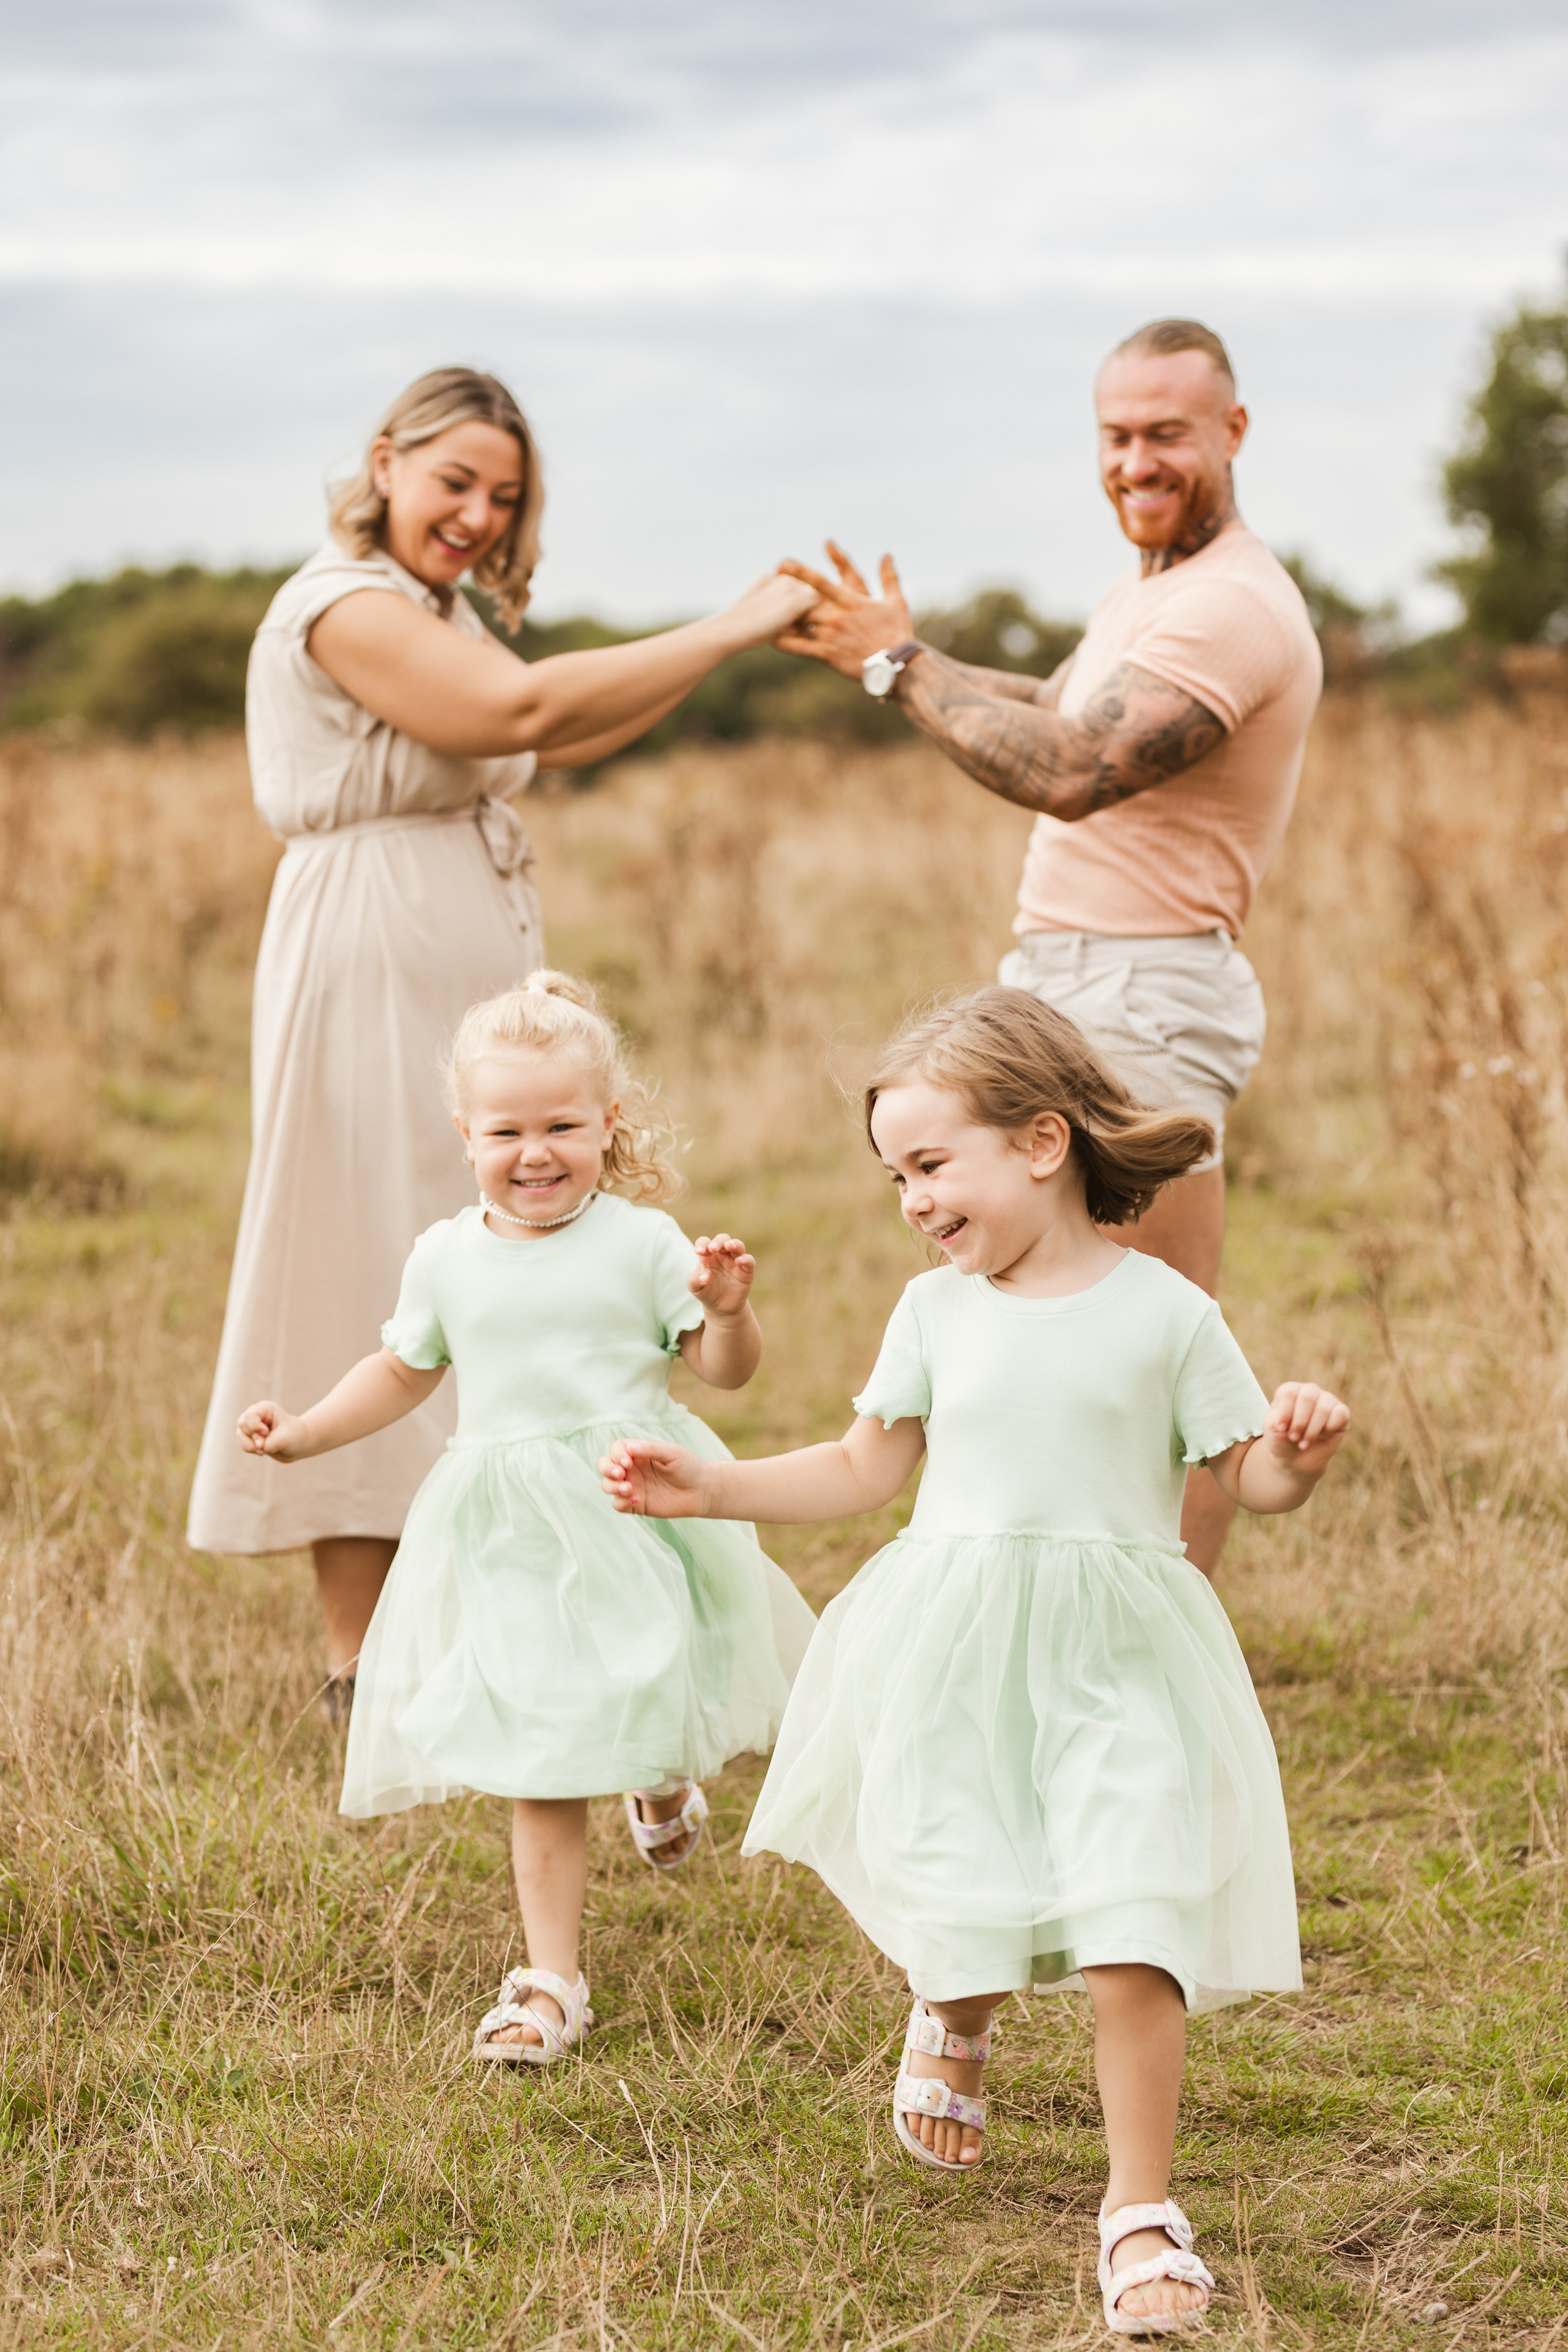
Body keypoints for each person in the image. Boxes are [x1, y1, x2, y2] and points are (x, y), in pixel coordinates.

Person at [601, 987, 1348, 2333]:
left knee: (1134, 1917)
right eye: (894, 1174)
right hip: (956, 1644)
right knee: (968, 1866)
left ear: (1043, 1143)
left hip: (1120, 1654)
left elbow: (1239, 1474)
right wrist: (707, 1490)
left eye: (932, 1164)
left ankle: (1136, 2212)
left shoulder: (1165, 1315)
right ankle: (953, 2010)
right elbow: (859, 1469)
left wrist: (1285, 1453)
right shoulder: (932, 1315)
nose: (910, 1200)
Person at [187, 367, 816, 1702]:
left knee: (483, 1258)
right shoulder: (343, 605)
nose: (477, 515)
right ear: (385, 463)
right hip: (366, 949)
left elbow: (566, 729)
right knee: (370, 1250)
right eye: (455, 482)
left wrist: (729, 654)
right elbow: (519, 714)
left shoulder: (442, 613)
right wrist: (725, 625)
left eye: (505, 496)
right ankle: (358, 1657)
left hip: (451, 955)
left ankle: (484, 1603)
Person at [775, 318, 1322, 1577]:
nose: (1135, 460)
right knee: (1073, 1335)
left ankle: (1145, 1639)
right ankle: (1091, 1622)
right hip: (1076, 984)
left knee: (1134, 1348)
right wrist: (897, 651)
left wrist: (896, 669)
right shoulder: (1147, 593)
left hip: (1143, 988)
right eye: (1115, 435)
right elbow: (1060, 708)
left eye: (1165, 434)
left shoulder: (1231, 606)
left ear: (1230, 434)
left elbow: (1072, 769)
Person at [236, 971, 816, 2060]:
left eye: (563, 1125)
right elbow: (403, 1372)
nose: (535, 1151)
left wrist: (730, 1314)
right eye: (507, 1129)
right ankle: (552, 1980)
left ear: (609, 1125)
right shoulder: (447, 1256)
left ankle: (657, 1774)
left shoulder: (643, 1244)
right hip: (505, 1524)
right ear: (465, 1134)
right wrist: (307, 1431)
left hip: (631, 1499)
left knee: (642, 1672)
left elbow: (724, 1374)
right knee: (542, 1749)